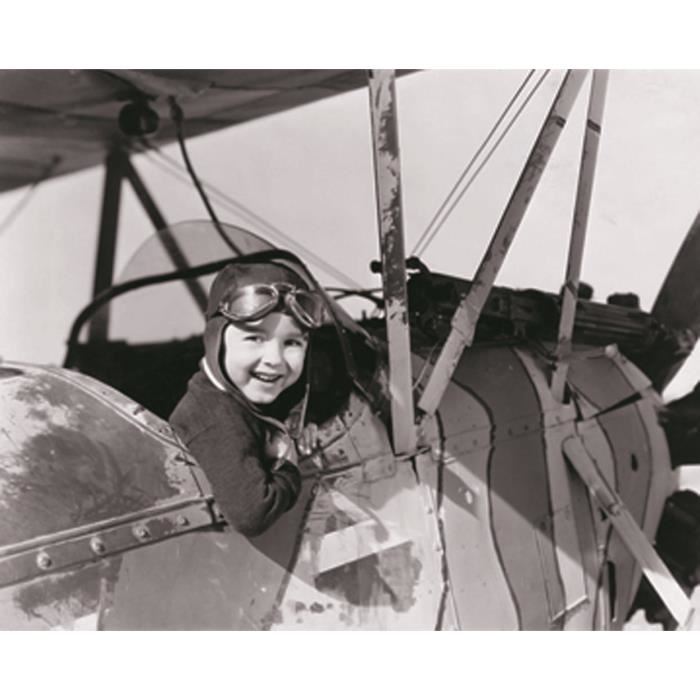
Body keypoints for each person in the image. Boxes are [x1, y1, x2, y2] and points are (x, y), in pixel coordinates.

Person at [170, 253, 324, 537]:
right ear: (217, 340)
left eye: (292, 342)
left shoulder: (234, 390)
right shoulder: (214, 418)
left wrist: (303, 420)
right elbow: (254, 513)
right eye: (255, 338)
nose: (275, 359)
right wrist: (287, 464)